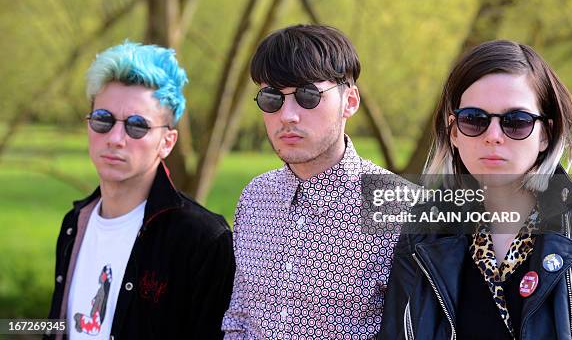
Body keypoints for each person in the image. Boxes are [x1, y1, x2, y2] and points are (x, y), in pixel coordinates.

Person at [380, 39, 572, 339]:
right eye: (474, 120)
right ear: (454, 133)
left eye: (516, 122)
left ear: (546, 135)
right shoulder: (423, 232)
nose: (493, 136)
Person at [221, 24, 401, 338]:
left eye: (307, 95)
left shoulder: (396, 205)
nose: (288, 115)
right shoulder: (255, 197)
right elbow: (238, 320)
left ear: (350, 101)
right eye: (272, 98)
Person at [46, 42, 235, 339]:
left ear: (167, 142)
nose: (116, 138)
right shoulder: (74, 224)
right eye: (103, 120)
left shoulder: (202, 240)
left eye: (137, 126)